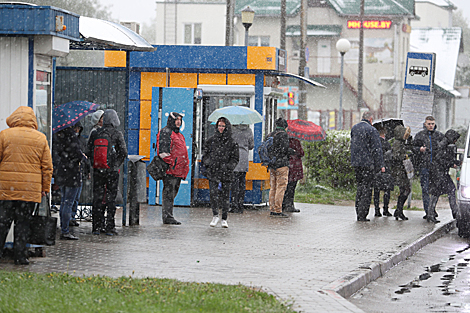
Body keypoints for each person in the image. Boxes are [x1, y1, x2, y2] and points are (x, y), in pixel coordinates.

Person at [0, 106, 53, 265]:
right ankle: (20, 257)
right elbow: (47, 167)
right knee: (23, 224)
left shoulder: (4, 135)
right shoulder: (40, 138)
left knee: (2, 224)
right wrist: (45, 188)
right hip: (29, 191)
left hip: (6, 190)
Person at [87, 109, 127, 235]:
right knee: (111, 198)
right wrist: (115, 164)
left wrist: (95, 163)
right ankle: (110, 226)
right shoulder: (117, 134)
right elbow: (124, 152)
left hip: (98, 170)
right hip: (112, 171)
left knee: (97, 198)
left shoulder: (96, 133)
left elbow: (88, 151)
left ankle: (96, 226)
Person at [203, 117, 239, 228]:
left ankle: (224, 218)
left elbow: (235, 158)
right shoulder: (211, 140)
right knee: (213, 194)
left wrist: (228, 167)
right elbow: (205, 154)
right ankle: (215, 215)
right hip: (214, 171)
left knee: (225, 195)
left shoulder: (232, 142)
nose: (221, 128)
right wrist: (209, 163)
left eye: (223, 126)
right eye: (219, 126)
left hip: (226, 172)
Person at [350, 111, 385, 222]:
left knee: (360, 187)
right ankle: (363, 214)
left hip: (357, 163)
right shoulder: (372, 130)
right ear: (370, 119)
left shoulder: (354, 128)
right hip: (368, 164)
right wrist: (379, 165)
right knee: (367, 189)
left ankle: (358, 212)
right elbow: (377, 150)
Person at [53, 122, 86, 240]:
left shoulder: (59, 136)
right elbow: (76, 153)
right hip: (72, 173)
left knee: (63, 202)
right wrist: (83, 156)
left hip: (62, 172)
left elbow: (60, 154)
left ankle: (63, 228)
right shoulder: (72, 136)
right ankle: (65, 230)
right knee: (68, 203)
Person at [157, 112, 189, 225]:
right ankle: (168, 217)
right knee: (169, 193)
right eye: (177, 119)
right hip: (171, 171)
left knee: (172, 193)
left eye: (180, 119)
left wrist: (184, 167)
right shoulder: (166, 132)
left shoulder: (179, 135)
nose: (179, 121)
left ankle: (168, 215)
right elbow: (162, 152)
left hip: (178, 170)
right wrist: (172, 163)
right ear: (171, 120)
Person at [411, 116, 444, 220]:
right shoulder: (420, 135)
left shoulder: (439, 136)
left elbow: (444, 148)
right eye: (429, 124)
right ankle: (428, 212)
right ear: (425, 124)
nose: (431, 126)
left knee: (435, 190)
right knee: (425, 189)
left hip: (435, 167)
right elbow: (413, 147)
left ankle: (431, 210)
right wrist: (419, 149)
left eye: (432, 124)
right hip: (424, 166)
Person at [427, 129, 461, 223]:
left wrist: (453, 163)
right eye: (455, 139)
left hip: (439, 173)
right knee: (443, 191)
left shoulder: (444, 144)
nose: (455, 141)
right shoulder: (443, 146)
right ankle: (454, 212)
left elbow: (443, 159)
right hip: (439, 173)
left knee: (437, 193)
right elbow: (441, 160)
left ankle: (431, 213)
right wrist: (451, 163)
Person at [267, 118, 292, 218]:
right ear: (285, 127)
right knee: (281, 187)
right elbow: (284, 149)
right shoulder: (284, 135)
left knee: (273, 187)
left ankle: (272, 209)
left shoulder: (271, 134)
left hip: (272, 165)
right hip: (281, 165)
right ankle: (278, 210)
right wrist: (292, 151)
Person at [230, 124, 254, 214]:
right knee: (242, 183)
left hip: (234, 157)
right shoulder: (248, 130)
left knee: (234, 184)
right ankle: (240, 206)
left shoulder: (232, 130)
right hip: (244, 158)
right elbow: (251, 146)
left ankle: (234, 205)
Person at [391, 125, 412, 221]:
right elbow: (395, 156)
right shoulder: (397, 143)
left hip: (402, 170)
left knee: (405, 189)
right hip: (399, 170)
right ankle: (399, 210)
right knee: (405, 189)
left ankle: (399, 210)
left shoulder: (401, 143)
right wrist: (404, 156)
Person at [373, 127, 393, 217]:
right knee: (386, 190)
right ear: (384, 133)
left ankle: (377, 210)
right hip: (386, 168)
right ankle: (385, 209)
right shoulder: (386, 144)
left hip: (376, 169)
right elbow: (389, 156)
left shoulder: (374, 143)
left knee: (376, 190)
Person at [282, 137, 304, 213]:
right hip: (294, 168)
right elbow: (301, 153)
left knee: (284, 187)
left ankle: (282, 205)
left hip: (286, 165)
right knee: (291, 188)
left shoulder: (284, 141)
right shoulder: (295, 141)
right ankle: (289, 205)